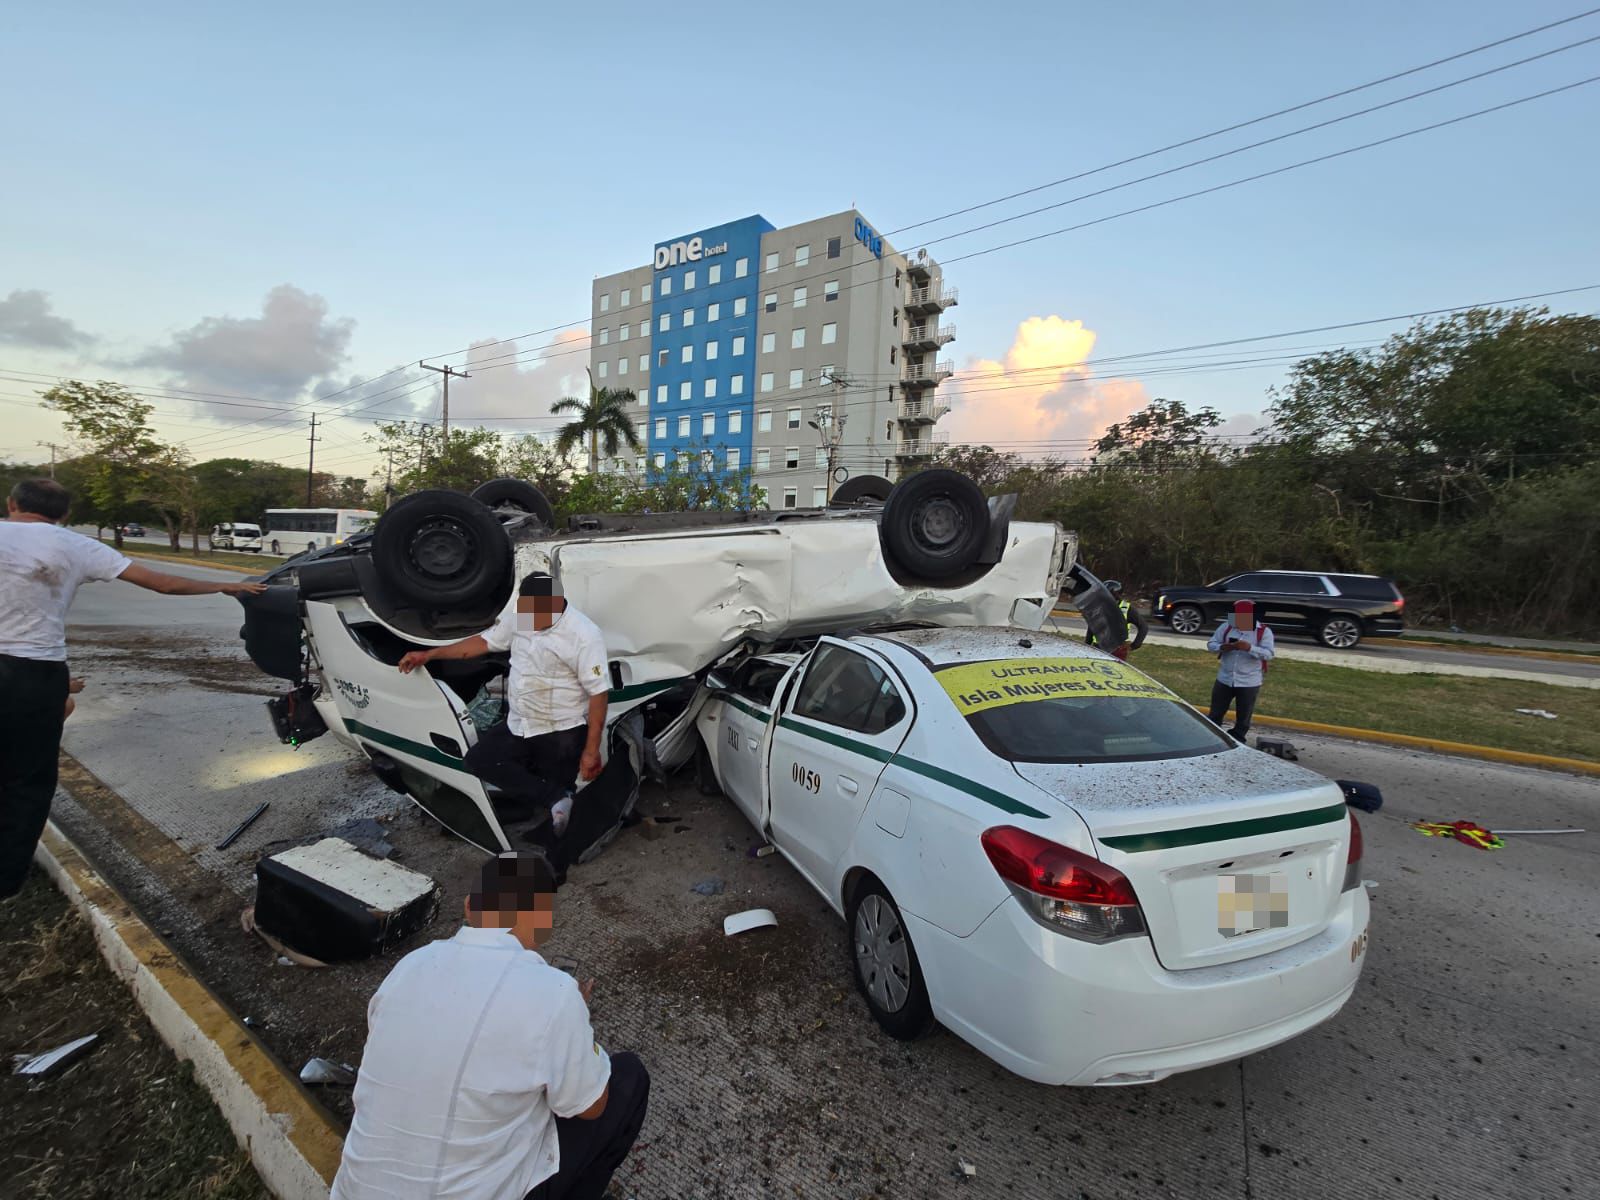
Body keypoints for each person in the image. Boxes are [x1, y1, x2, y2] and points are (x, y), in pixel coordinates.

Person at [0, 479, 265, 899]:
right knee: (26, 779)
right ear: (65, 514)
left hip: (33, 672)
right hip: (34, 669)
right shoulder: (74, 545)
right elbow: (162, 583)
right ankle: (6, 882)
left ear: (11, 503)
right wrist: (224, 585)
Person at [330, 852, 650, 1200]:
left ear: (469, 907)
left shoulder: (409, 967)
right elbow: (591, 1106)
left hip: (353, 1192)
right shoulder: (553, 993)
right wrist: (576, 1025)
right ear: (541, 917)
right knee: (628, 1078)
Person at [400, 571, 609, 834]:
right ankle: (554, 798)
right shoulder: (524, 618)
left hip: (560, 730)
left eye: (537, 615)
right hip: (520, 722)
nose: (530, 621)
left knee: (564, 802)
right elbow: (481, 643)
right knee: (479, 760)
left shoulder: (584, 634)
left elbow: (598, 693)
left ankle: (559, 809)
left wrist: (591, 751)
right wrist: (429, 655)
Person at [1206, 599, 1275, 741]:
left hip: (1249, 681)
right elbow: (1211, 643)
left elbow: (1269, 654)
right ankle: (1212, 737)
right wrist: (1222, 647)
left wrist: (1249, 648)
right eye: (1236, 617)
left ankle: (1238, 738)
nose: (1238, 621)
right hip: (1224, 678)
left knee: (1243, 716)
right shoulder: (1226, 627)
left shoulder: (1263, 631)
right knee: (1215, 712)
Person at [1085, 580, 1148, 661]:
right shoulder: (1098, 607)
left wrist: (1135, 645)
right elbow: (1092, 626)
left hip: (1117, 650)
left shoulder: (1127, 609)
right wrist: (1087, 645)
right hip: (1098, 647)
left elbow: (1143, 626)